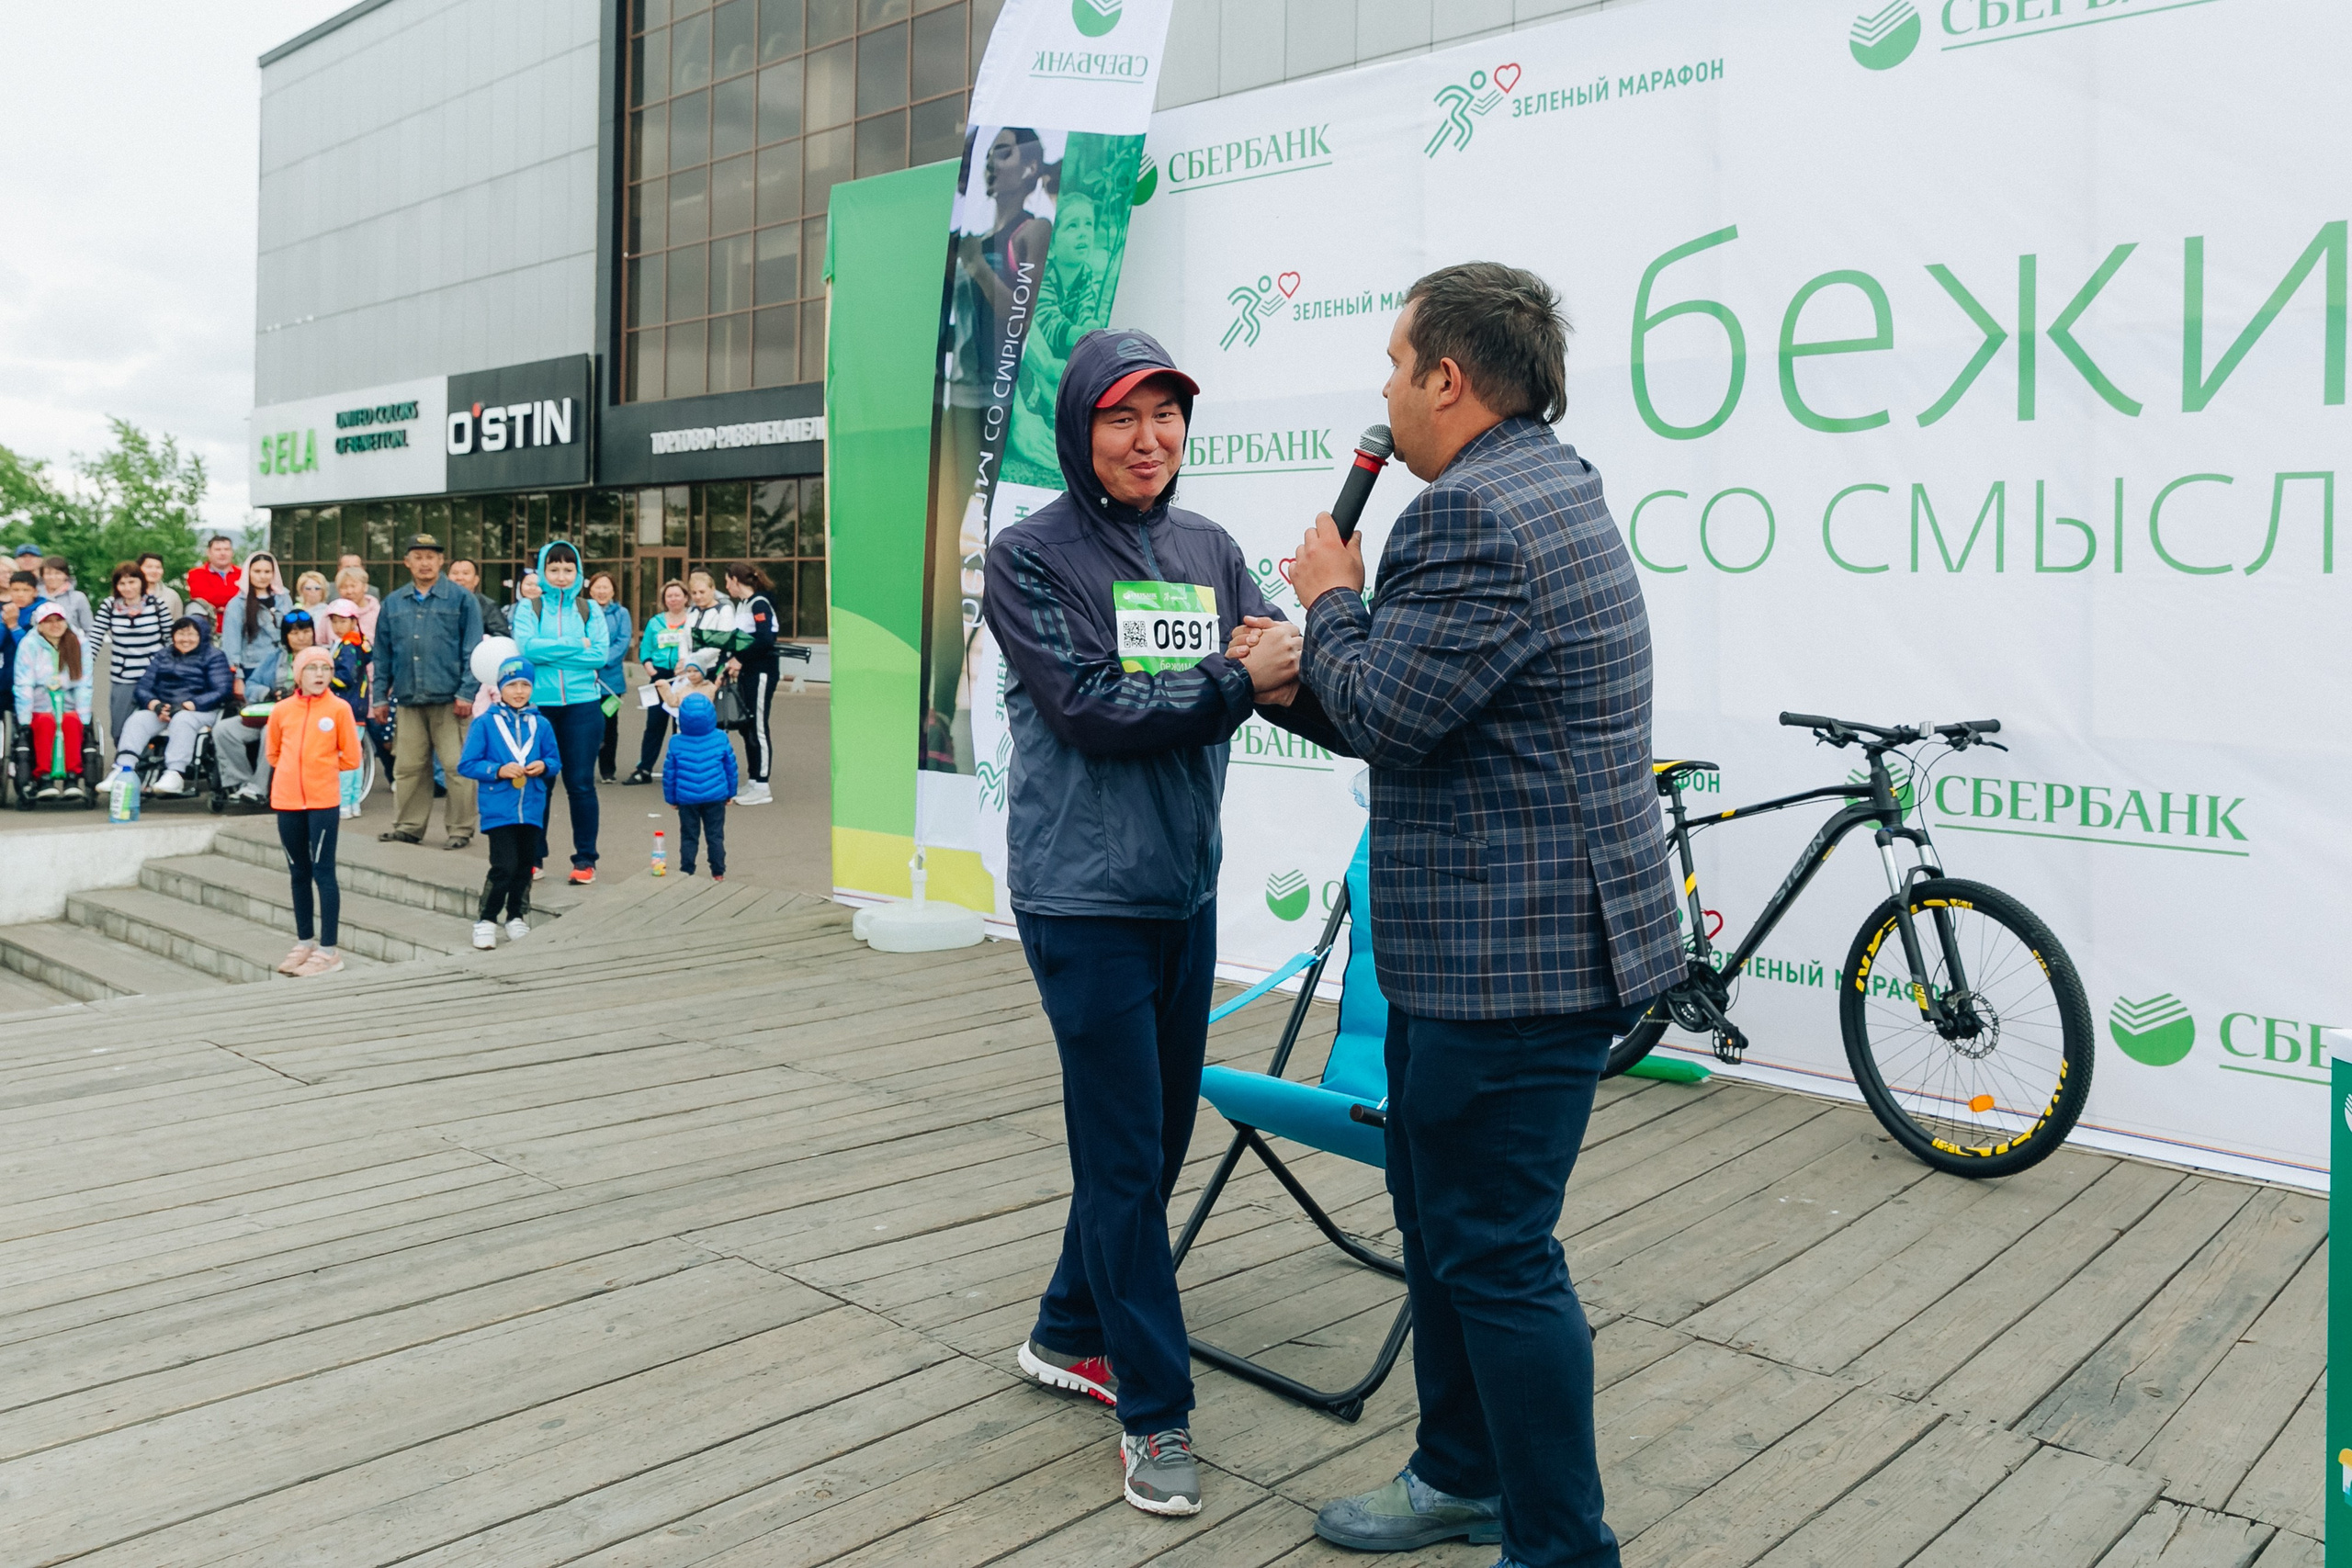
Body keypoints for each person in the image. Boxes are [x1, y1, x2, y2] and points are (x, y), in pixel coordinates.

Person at [1238, 265, 1684, 1568]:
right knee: (1443, 1229)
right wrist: (1294, 674)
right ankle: (1459, 1471)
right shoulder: (1546, 485)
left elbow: (1385, 705)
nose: (1381, 394)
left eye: (1393, 365)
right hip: (1486, 957)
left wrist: (1328, 596)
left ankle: (1559, 1543)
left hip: (1517, 964)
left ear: (1447, 377)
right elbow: (1420, 710)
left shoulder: (1471, 519)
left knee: (1493, 1251)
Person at [980, 328, 1300, 1521]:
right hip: (1080, 896)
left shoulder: (1211, 548)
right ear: (1080, 430)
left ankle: (1068, 1324)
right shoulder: (1031, 557)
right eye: (1123, 416)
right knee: (1123, 1156)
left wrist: (1342, 671)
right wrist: (1232, 678)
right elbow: (1093, 706)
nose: (1149, 437)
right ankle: (1153, 1410)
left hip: (1183, 885)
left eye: (1166, 414)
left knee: (1156, 1140)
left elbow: (1281, 666)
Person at [371, 533, 482, 850]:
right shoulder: (393, 602)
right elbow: (382, 654)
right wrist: (379, 697)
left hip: (451, 700)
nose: (424, 562)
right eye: (417, 557)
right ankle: (408, 827)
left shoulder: (462, 600)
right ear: (407, 562)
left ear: (441, 561)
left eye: (430, 556)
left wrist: (467, 693)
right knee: (407, 768)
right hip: (407, 699)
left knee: (457, 767)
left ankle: (460, 830)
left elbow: (472, 650)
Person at [511, 540, 609, 885]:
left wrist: (550, 652)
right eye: (554, 569)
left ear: (578, 572)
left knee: (581, 784)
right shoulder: (529, 608)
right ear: (542, 571)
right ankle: (534, 857)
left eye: (569, 569)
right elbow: (527, 649)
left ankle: (585, 859)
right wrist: (574, 645)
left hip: (583, 705)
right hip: (539, 708)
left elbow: (599, 656)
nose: (562, 576)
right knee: (540, 782)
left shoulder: (589, 609)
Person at [264, 646, 362, 977]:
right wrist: (295, 774)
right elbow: (274, 754)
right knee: (298, 873)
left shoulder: (339, 709)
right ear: (298, 674)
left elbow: (351, 757)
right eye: (312, 668)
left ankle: (329, 951)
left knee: (324, 872)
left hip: (322, 803)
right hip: (287, 801)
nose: (319, 674)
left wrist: (319, 771)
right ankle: (305, 940)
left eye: (325, 668)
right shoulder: (281, 710)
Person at [457, 654, 562, 948]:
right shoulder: (485, 723)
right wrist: (497, 770)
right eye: (512, 685)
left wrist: (544, 765)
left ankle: (516, 915)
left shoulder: (540, 724)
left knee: (525, 863)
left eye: (525, 685)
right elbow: (467, 764)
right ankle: (486, 919)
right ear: (500, 687)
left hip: (531, 806)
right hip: (498, 806)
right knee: (504, 865)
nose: (519, 691)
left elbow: (555, 759)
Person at [115, 615, 231, 795]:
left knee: (183, 720)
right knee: (138, 718)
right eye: (181, 634)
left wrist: (190, 705)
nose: (185, 639)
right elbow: (143, 687)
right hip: (165, 709)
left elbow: (221, 690)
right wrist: (155, 705)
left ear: (202, 636)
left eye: (191, 634)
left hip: (200, 710)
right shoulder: (163, 655)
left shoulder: (214, 656)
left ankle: (175, 773)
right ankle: (123, 769)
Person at [218, 609, 319, 804]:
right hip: (270, 711)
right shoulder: (276, 657)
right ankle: (241, 783)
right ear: (286, 636)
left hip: (303, 715)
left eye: (306, 632)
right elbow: (252, 686)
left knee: (269, 732)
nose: (301, 638)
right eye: (295, 633)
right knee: (224, 730)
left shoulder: (321, 657)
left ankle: (259, 788)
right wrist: (268, 693)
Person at [13, 604, 94, 798]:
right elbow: (23, 683)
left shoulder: (79, 643)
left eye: (59, 620)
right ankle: (44, 777)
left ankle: (72, 777)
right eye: (48, 621)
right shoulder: (29, 644)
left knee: (72, 722)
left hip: (68, 703)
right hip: (39, 704)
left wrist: (84, 717)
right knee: (45, 723)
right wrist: (24, 719)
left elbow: (84, 684)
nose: (54, 625)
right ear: (39, 625)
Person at [719, 563, 781, 806]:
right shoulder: (743, 605)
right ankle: (754, 780)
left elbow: (765, 639)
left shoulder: (759, 603)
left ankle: (763, 784)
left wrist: (739, 658)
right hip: (747, 672)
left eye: (727, 581)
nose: (726, 587)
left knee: (758, 727)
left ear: (735, 580)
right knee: (747, 727)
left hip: (762, 672)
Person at [92, 561, 170, 749]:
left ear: (141, 583)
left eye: (132, 582)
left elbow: (170, 640)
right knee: (119, 727)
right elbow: (95, 637)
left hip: (154, 676)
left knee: (154, 721)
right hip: (123, 676)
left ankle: (151, 760)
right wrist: (83, 666)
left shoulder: (157, 605)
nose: (128, 588)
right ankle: (124, 760)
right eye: (122, 584)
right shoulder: (109, 606)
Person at [663, 689, 737, 879]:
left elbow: (669, 773)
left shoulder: (676, 742)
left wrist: (671, 798)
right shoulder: (721, 737)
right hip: (715, 795)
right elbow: (730, 767)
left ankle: (687, 870)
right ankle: (718, 872)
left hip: (687, 798)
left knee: (689, 836)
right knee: (715, 836)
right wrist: (730, 792)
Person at [624, 579, 692, 784]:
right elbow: (646, 650)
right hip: (659, 676)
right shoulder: (655, 622)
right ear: (664, 600)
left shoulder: (692, 620)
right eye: (669, 596)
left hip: (683, 676)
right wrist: (650, 669)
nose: (673, 599)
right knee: (654, 724)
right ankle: (644, 768)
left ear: (686, 597)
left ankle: (680, 769)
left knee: (681, 725)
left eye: (677, 595)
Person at [220, 550, 293, 706]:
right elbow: (231, 644)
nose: (262, 576)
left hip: (283, 666)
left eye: (267, 571)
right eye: (257, 571)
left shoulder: (283, 598)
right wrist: (238, 677)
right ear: (248, 573)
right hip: (253, 668)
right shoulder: (237, 604)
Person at [325, 598, 373, 816]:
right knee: (355, 756)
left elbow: (346, 678)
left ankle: (344, 802)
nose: (338, 626)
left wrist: (326, 677)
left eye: (343, 621)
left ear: (354, 622)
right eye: (334, 621)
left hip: (347, 707)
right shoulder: (357, 643)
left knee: (345, 758)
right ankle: (354, 802)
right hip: (357, 707)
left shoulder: (348, 646)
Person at [587, 570, 632, 783]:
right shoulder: (581, 611)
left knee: (609, 726)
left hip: (611, 681)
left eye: (606, 587)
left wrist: (600, 660)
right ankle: (583, 768)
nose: (602, 591)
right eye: (598, 587)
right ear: (590, 589)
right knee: (584, 725)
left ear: (613, 590)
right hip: (585, 678)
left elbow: (622, 642)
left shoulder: (621, 613)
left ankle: (607, 770)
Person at [187, 536, 242, 629]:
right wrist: (235, 604)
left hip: (239, 626)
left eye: (227, 549)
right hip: (209, 629)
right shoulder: (196, 574)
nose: (223, 553)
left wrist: (219, 607)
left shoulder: (243, 574)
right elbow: (202, 601)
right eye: (218, 549)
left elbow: (249, 600)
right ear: (208, 552)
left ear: (232, 552)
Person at [447, 557, 511, 637]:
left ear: (476, 580)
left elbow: (502, 636)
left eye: (465, 573)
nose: (459, 578)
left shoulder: (488, 606)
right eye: (455, 573)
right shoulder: (439, 602)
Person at [37, 557, 95, 639]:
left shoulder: (78, 597)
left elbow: (90, 630)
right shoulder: (35, 596)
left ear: (66, 575)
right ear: (42, 576)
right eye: (48, 573)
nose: (53, 577)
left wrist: (87, 650)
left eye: (58, 573)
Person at [334, 565, 381, 642]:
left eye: (353, 586)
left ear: (365, 587)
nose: (349, 591)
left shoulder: (378, 612)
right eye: (344, 587)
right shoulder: (332, 612)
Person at [139, 553, 185, 622]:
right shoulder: (128, 593)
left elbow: (178, 624)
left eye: (158, 567)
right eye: (149, 567)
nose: (154, 571)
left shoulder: (172, 596)